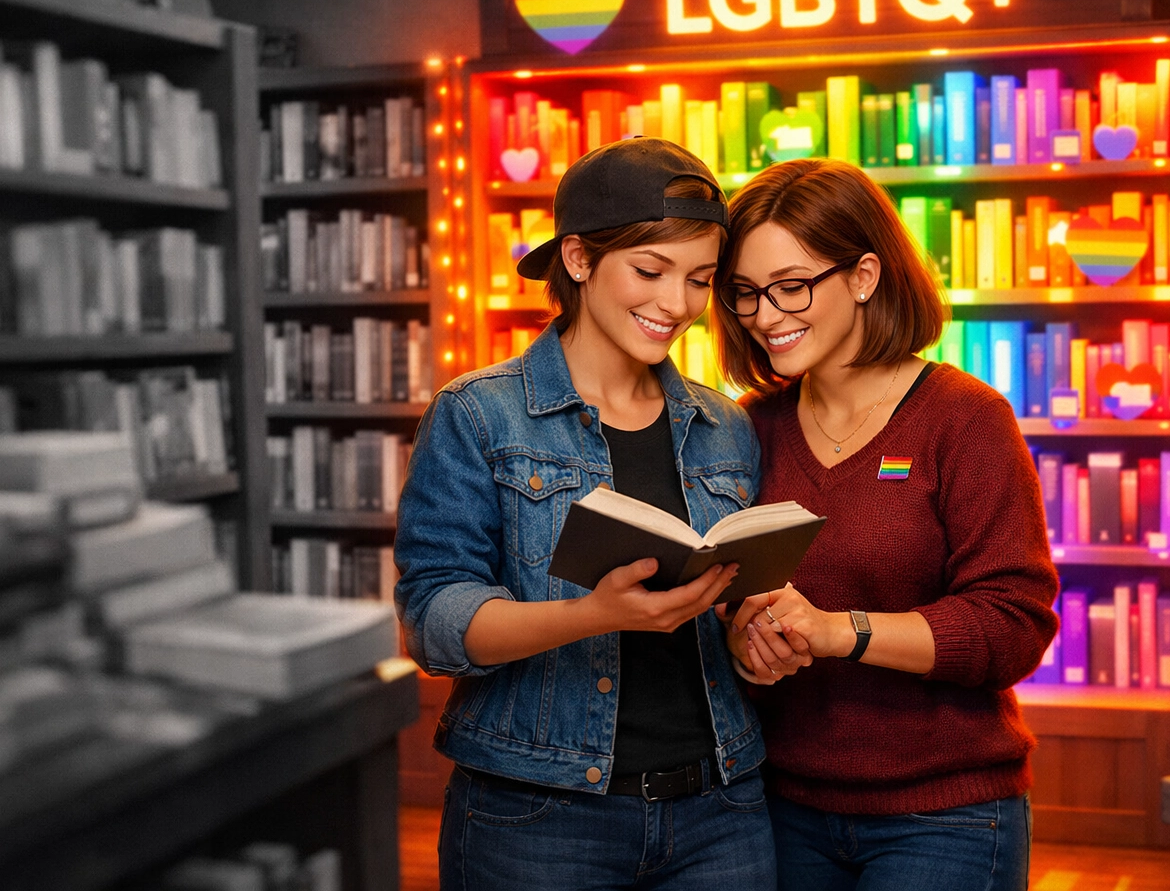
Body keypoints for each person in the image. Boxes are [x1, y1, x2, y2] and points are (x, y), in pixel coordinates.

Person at [395, 138, 777, 891]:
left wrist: (758, 618)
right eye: (650, 270)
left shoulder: (725, 424)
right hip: (539, 814)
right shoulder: (479, 415)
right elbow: (433, 622)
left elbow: (728, 601)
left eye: (700, 280)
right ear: (577, 260)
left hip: (720, 807)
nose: (677, 305)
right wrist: (594, 614)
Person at [709, 158, 1060, 891]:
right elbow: (732, 600)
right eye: (745, 294)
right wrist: (748, 641)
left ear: (865, 275)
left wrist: (842, 632)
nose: (767, 315)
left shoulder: (965, 420)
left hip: (945, 818)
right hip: (780, 807)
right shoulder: (748, 430)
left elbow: (1013, 624)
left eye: (792, 286)